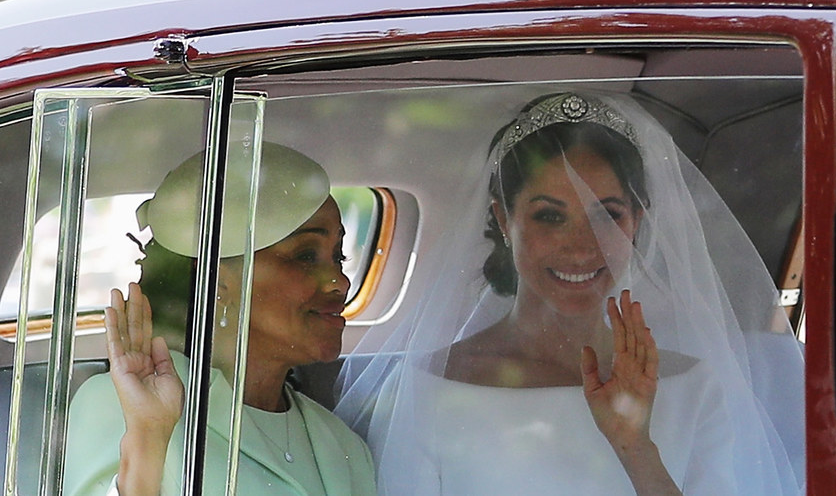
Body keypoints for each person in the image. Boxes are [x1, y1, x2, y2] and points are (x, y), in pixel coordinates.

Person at [335, 90, 804, 495]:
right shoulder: (424, 388)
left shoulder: (697, 389)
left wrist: (635, 449)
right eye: (549, 216)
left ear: (636, 223)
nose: (582, 246)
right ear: (504, 220)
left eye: (608, 215)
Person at [65, 142, 376, 496]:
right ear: (219, 284)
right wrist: (146, 442)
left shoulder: (345, 445)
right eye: (306, 256)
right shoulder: (124, 404)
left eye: (339, 257)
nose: (340, 282)